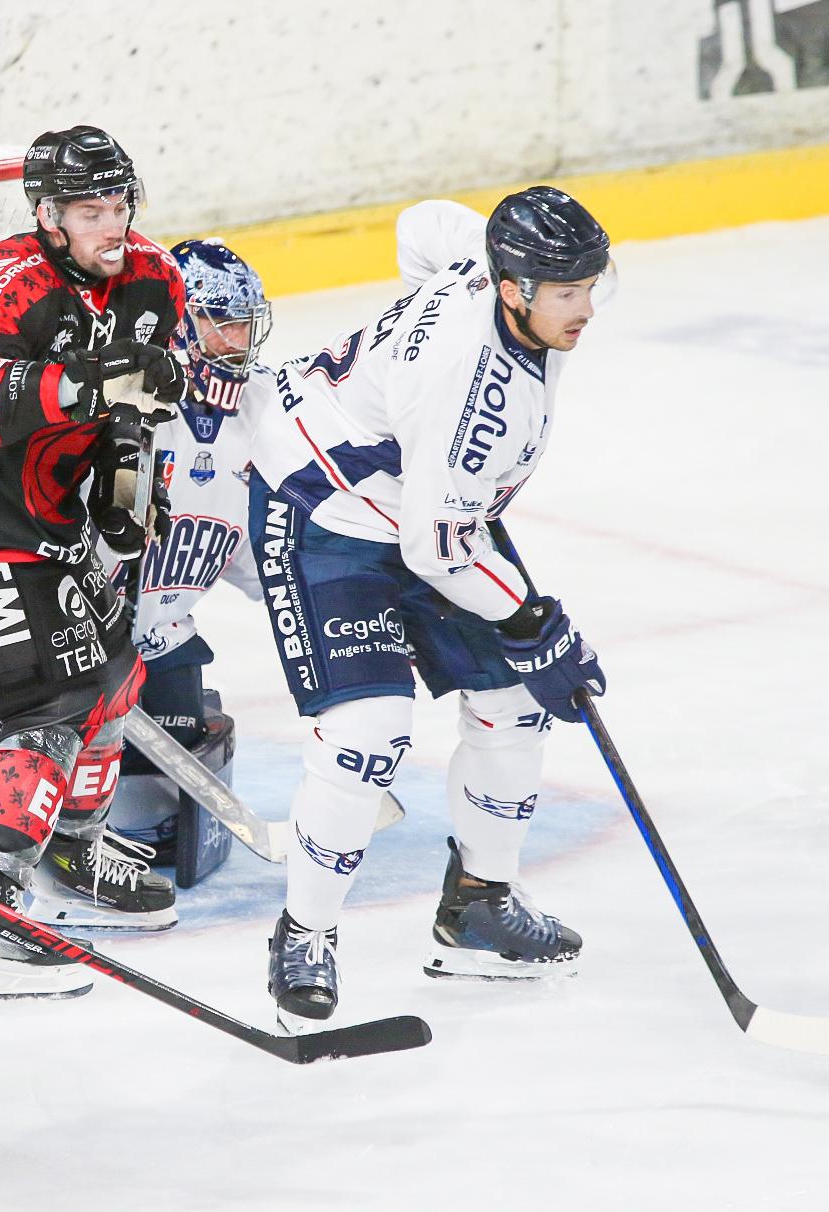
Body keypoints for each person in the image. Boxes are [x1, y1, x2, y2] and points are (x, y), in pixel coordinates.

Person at [248, 187, 613, 1030]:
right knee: (367, 733)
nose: (587, 309)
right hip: (323, 507)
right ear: (513, 288)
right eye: (568, 292)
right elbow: (438, 552)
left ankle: (479, 905)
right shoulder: (467, 388)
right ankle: (305, 932)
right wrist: (536, 626)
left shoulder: (489, 274)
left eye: (591, 286)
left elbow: (426, 223)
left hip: (428, 501)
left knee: (515, 703)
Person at [0, 125, 188, 1001]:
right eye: (88, 211)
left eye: (118, 205)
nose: (111, 226)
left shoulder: (154, 279)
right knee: (48, 703)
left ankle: (70, 854)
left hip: (53, 513)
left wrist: (131, 478)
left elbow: (145, 404)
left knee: (116, 678)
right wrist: (102, 381)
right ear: (48, 216)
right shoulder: (9, 281)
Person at [106, 237, 272, 867]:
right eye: (221, 323)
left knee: (159, 816)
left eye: (244, 324)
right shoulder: (126, 401)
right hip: (79, 630)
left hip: (163, 634)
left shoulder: (262, 410)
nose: (237, 340)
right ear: (179, 324)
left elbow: (253, 548)